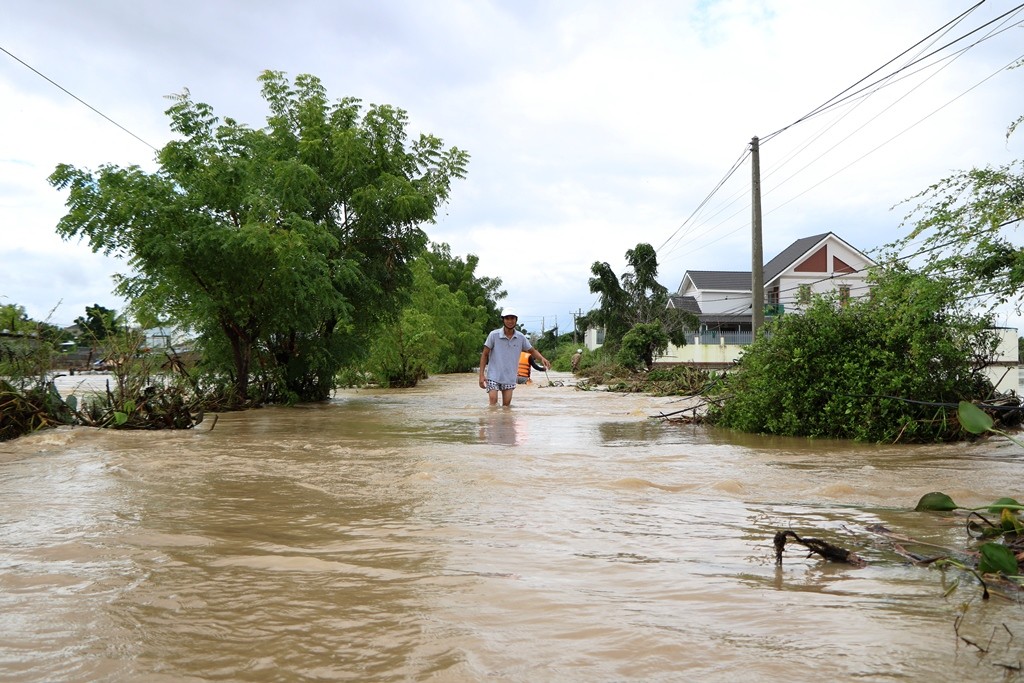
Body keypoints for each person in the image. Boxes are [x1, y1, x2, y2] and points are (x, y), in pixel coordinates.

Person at [479, 308, 551, 407]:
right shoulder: (493, 335)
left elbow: (532, 350)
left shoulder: (521, 337)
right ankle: (493, 421)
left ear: (516, 320)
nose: (510, 321)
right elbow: (484, 354)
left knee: (506, 406)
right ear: (503, 320)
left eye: (512, 318)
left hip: (510, 376)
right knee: (493, 402)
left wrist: (542, 358)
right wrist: (481, 375)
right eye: (507, 318)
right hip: (493, 375)